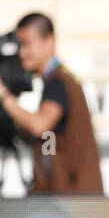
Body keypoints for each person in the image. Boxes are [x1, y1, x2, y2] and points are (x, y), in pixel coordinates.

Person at [0, 12, 103, 194]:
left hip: (75, 204)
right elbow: (50, 138)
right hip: (70, 200)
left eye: (26, 44)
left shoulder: (59, 82)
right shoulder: (58, 80)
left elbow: (40, 125)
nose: (21, 53)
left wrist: (4, 95)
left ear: (49, 41)